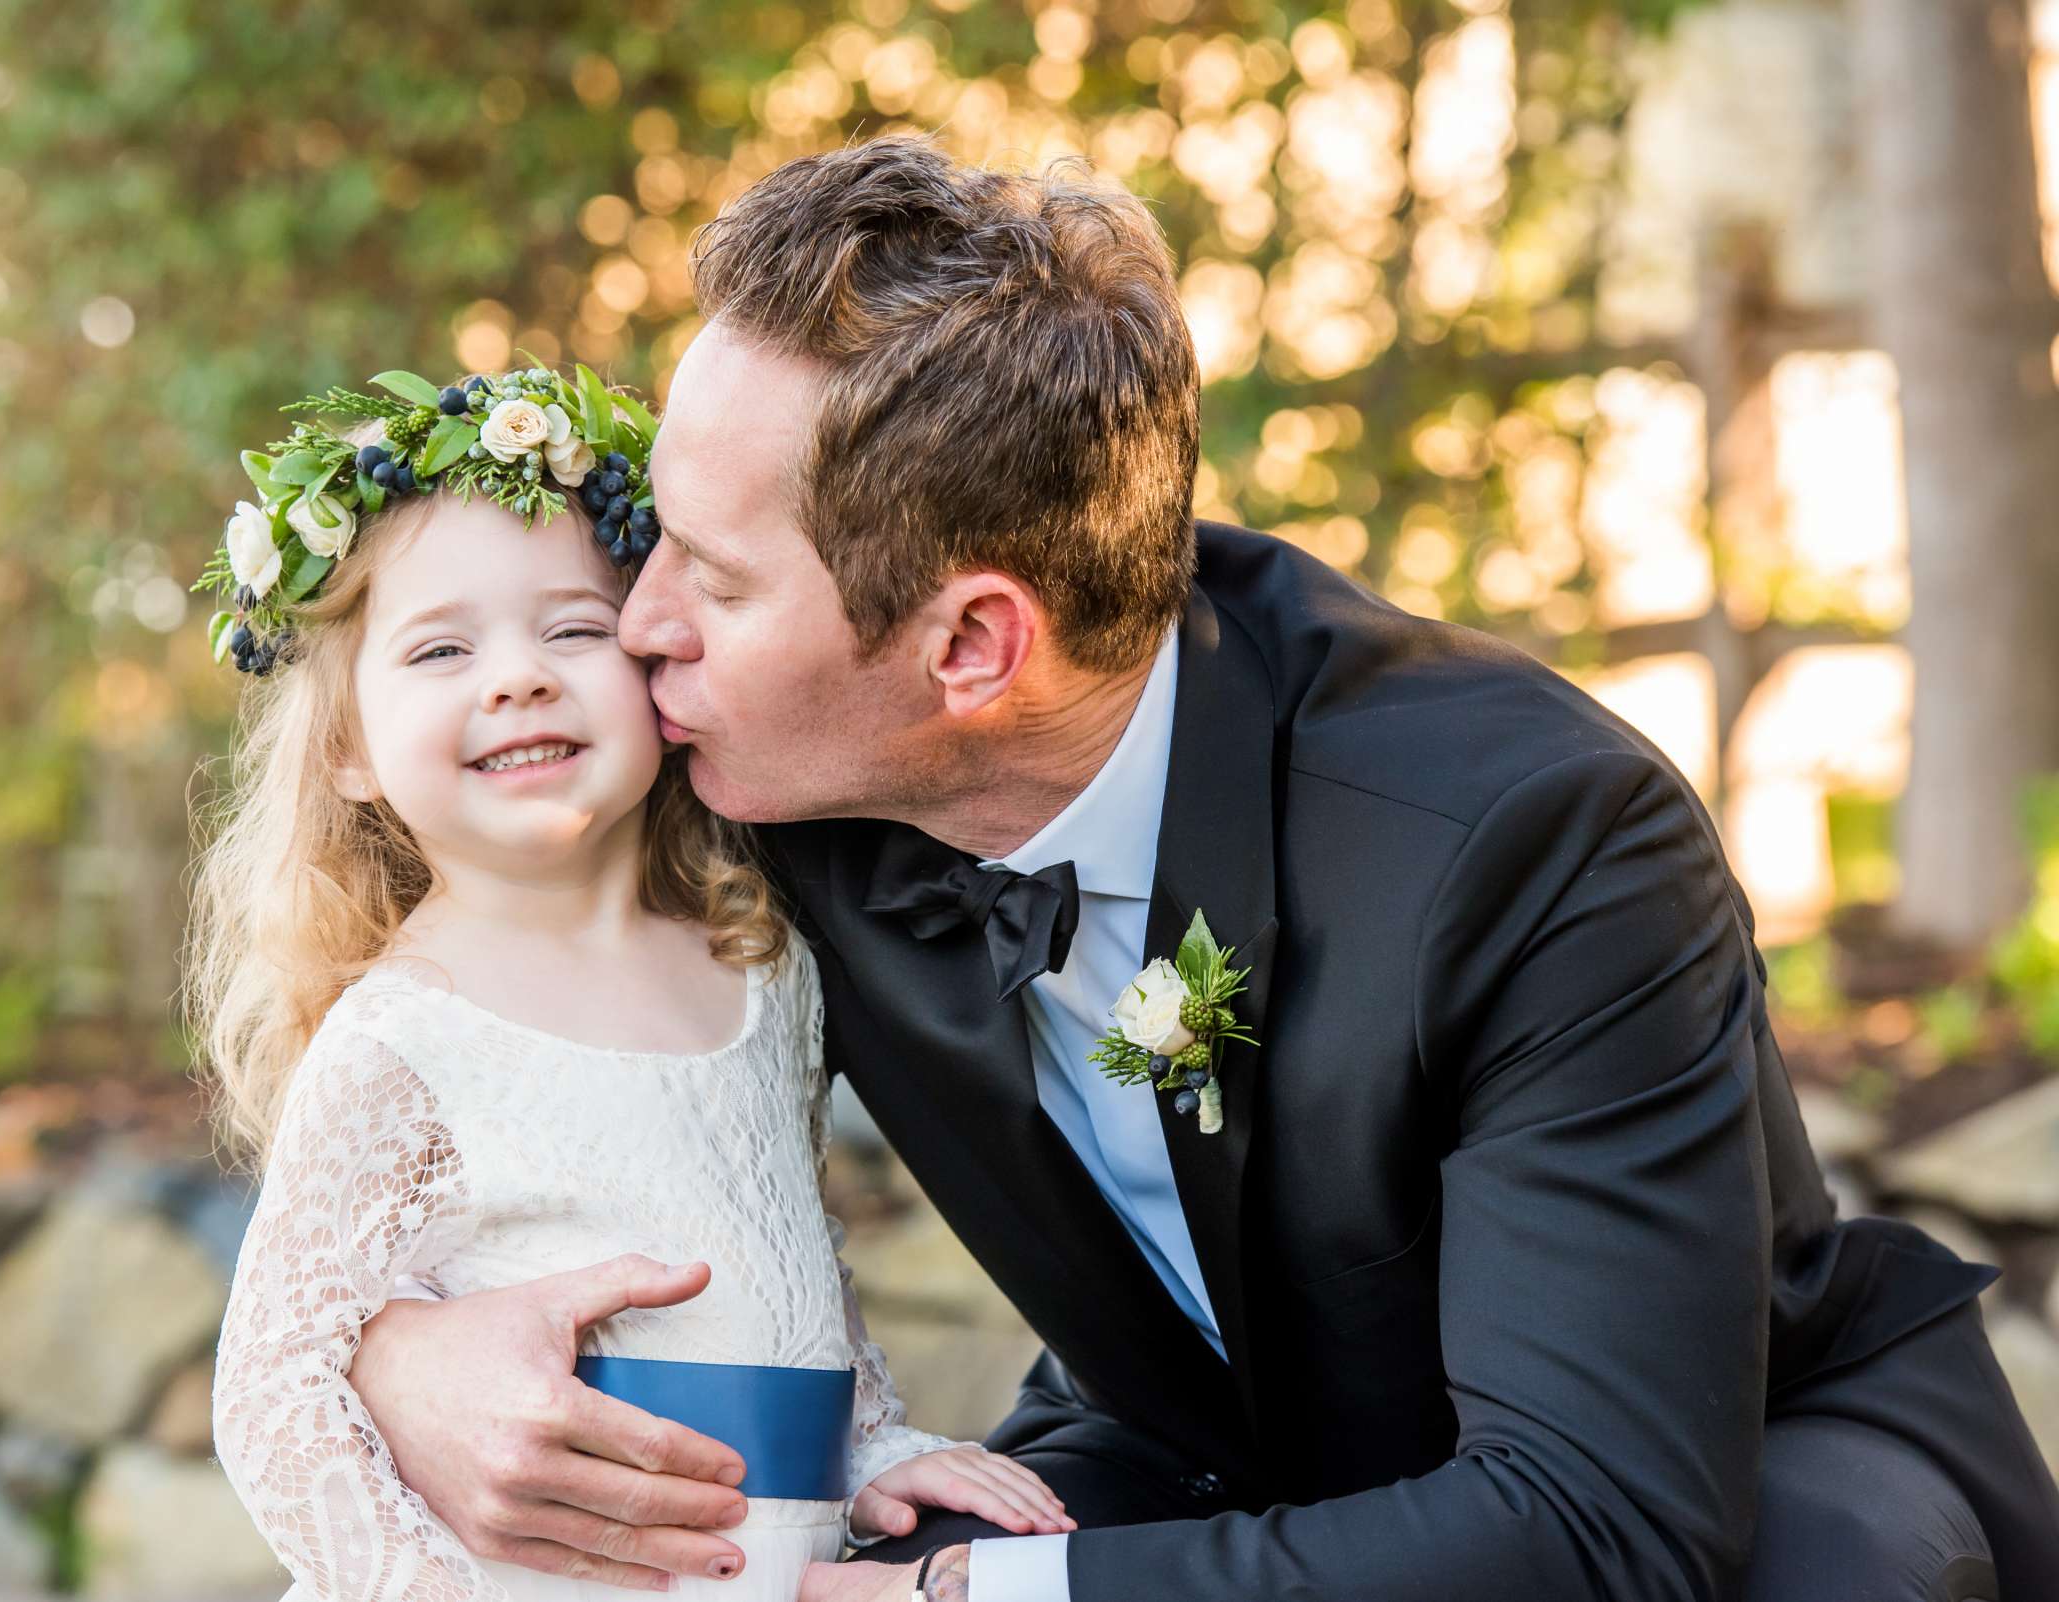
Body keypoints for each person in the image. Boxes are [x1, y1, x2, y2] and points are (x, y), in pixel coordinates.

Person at [345, 139, 2059, 1602]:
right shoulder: (763, 749)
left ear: (971, 647)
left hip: (1722, 1477)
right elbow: (396, 922)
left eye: (712, 585)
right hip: (1207, 1441)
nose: (640, 634)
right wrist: (392, 1356)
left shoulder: (1536, 841)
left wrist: (975, 1593)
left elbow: (1603, 1519)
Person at [182, 362, 1071, 1602]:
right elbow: (277, 1391)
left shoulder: (763, 969)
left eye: (574, 628)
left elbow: (787, 1262)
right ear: (347, 753)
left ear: (655, 662)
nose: (517, 677)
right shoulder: (403, 1042)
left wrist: (873, 1447)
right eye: (441, 648)